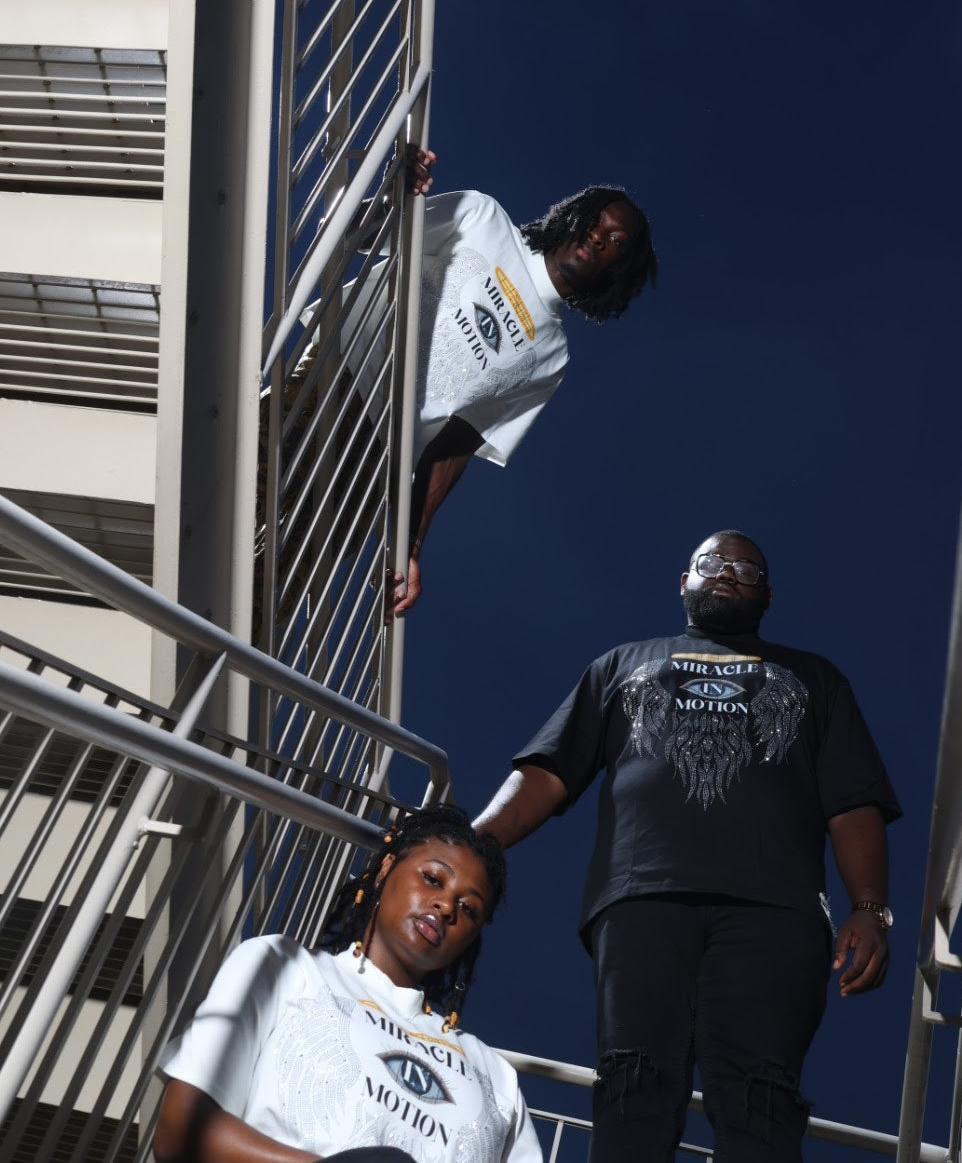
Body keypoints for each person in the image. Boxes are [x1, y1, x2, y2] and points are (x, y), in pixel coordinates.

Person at [473, 529, 901, 1163]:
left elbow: (853, 801)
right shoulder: (622, 664)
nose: (727, 572)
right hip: (641, 896)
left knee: (761, 1097)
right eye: (712, 563)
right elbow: (550, 770)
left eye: (746, 569)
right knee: (633, 1081)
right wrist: (469, 842)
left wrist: (869, 908)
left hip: (776, 911)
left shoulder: (816, 679)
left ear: (768, 596)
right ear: (684, 582)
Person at [153, 805, 541, 1163]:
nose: (445, 906)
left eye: (468, 908)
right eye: (432, 879)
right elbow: (180, 1130)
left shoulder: (494, 1074)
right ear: (386, 868)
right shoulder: (285, 967)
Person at [385, 147, 657, 613]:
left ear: (618, 268)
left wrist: (411, 545)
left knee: (273, 579)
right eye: (595, 220)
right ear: (571, 215)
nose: (598, 236)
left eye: (615, 240)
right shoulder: (483, 217)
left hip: (376, 459)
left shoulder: (551, 355)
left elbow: (455, 445)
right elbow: (372, 234)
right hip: (330, 381)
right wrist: (396, 191)